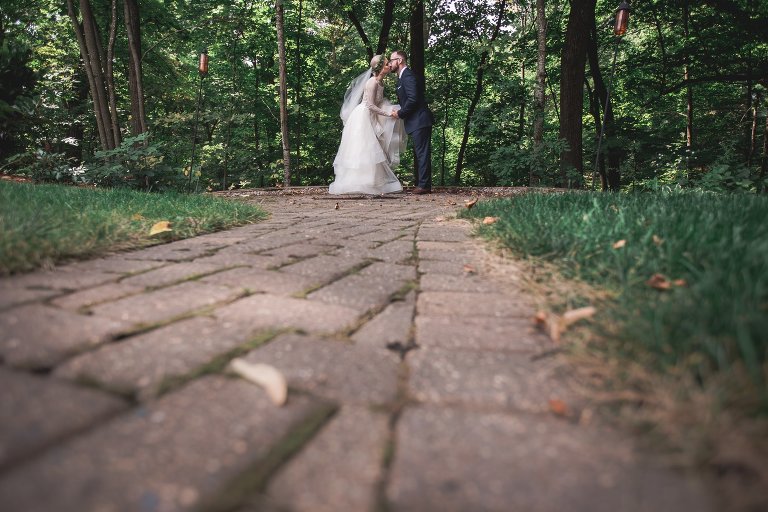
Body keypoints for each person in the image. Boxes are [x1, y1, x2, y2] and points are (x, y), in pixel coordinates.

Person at [329, 55, 406, 195]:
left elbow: (378, 103)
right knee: (365, 147)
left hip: (373, 115)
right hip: (363, 116)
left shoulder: (380, 82)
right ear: (380, 67)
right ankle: (357, 182)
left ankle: (371, 181)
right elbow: (370, 105)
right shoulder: (372, 82)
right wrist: (388, 114)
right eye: (386, 63)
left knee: (374, 148)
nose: (389, 65)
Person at [389, 51, 435, 194]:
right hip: (416, 121)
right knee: (420, 152)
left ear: (400, 60)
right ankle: (423, 184)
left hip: (420, 120)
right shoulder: (402, 78)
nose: (390, 64)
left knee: (422, 153)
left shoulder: (407, 76)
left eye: (392, 60)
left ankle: (424, 186)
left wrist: (400, 113)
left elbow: (413, 99)